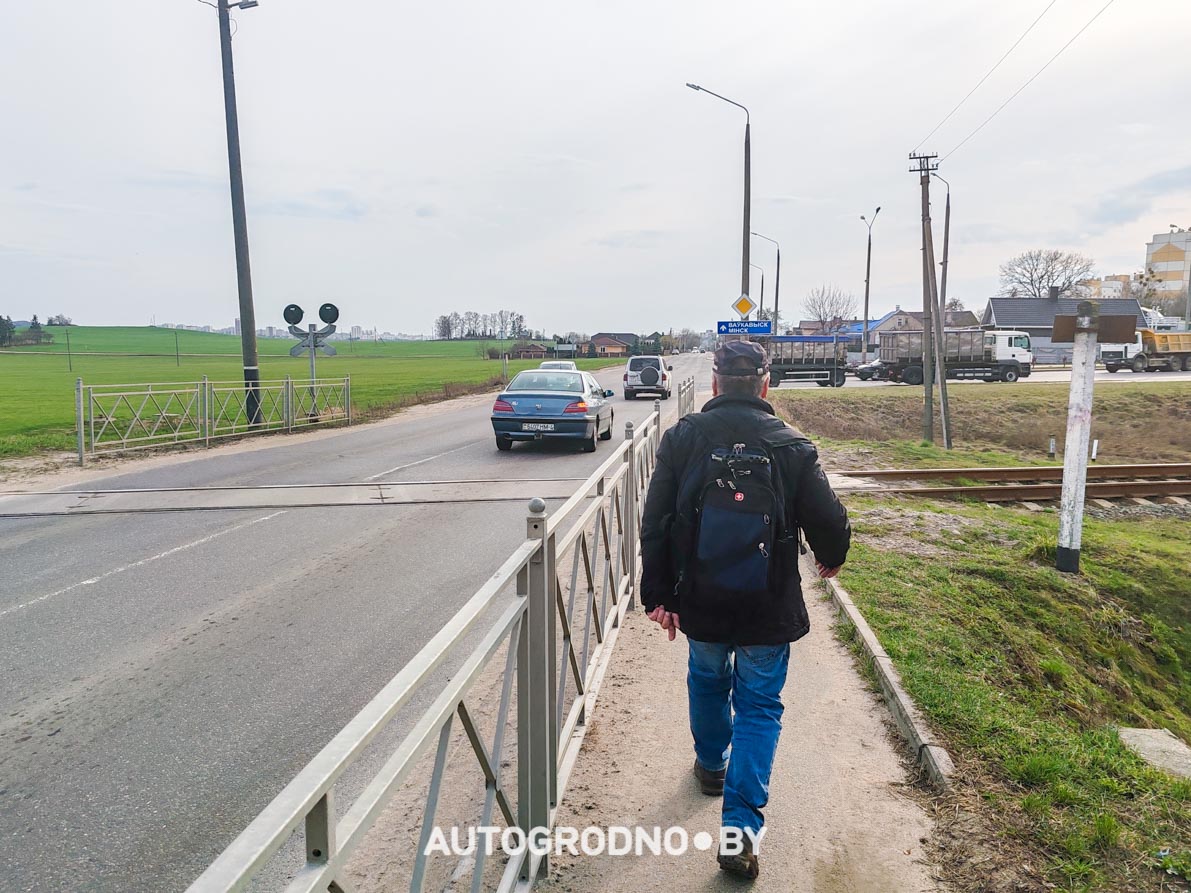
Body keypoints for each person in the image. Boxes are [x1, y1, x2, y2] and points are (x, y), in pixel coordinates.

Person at [639, 339, 851, 879]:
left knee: (707, 681)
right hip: (767, 607)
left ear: (714, 383)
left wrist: (659, 596)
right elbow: (827, 520)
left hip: (702, 602)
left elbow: (656, 520)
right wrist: (832, 557)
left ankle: (711, 766)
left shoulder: (683, 438)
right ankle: (739, 834)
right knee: (759, 706)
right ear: (765, 384)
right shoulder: (792, 445)